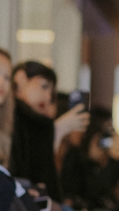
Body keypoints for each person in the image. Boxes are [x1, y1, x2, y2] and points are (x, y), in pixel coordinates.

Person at [10, 61, 88, 199]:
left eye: (51, 92)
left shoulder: (36, 124)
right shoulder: (22, 121)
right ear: (21, 79)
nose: (47, 97)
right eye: (43, 86)